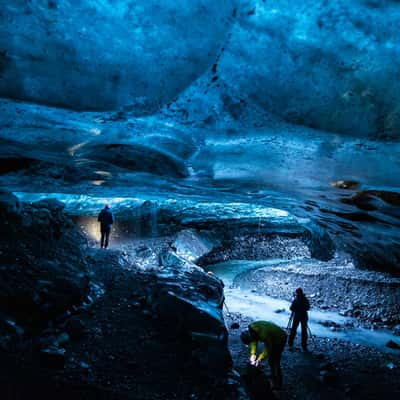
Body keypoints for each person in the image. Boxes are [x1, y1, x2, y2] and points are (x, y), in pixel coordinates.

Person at [241, 320, 287, 389]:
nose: (251, 342)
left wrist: (259, 359)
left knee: (274, 360)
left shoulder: (264, 335)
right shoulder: (252, 329)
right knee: (271, 360)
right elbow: (253, 341)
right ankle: (274, 378)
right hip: (270, 334)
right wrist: (253, 353)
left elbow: (268, 349)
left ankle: (277, 384)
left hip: (280, 338)